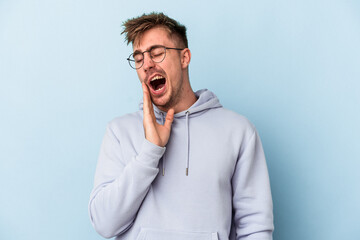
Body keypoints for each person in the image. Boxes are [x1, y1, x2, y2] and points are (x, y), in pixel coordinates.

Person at [88, 12, 274, 240]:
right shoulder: (119, 131)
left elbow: (255, 227)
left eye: (157, 53)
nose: (147, 64)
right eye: (138, 59)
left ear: (184, 58)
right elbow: (105, 224)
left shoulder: (238, 131)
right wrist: (150, 151)